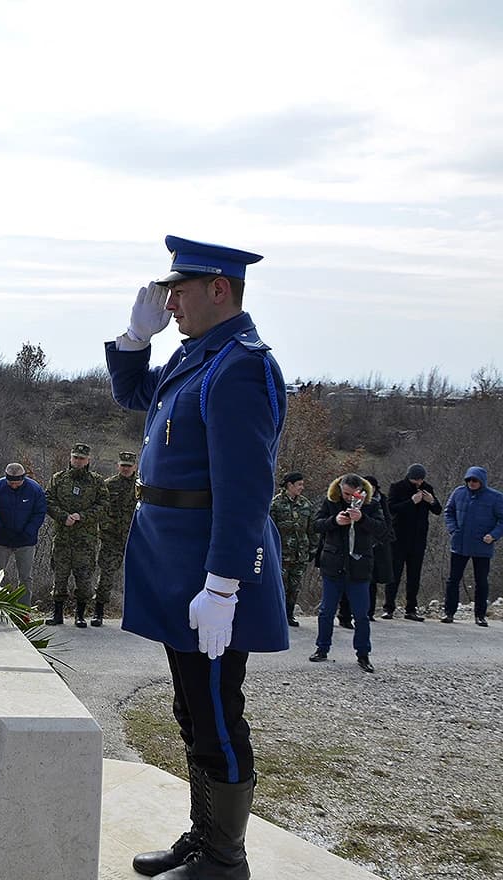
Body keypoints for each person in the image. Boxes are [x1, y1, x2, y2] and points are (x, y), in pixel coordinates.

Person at [106, 236, 288, 880]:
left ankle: (224, 858)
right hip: (175, 560)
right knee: (192, 706)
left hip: (207, 568)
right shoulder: (200, 358)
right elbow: (133, 395)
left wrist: (223, 584)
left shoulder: (241, 365)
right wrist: (134, 337)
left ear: (220, 289)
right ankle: (205, 836)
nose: (169, 300)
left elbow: (245, 487)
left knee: (214, 709)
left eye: (179, 289)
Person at [309, 474, 382, 673]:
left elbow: (382, 530)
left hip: (359, 567)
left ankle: (363, 654)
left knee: (361, 615)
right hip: (333, 565)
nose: (349, 497)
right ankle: (322, 648)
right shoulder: (331, 502)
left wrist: (363, 519)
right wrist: (334, 521)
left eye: (353, 494)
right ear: (340, 489)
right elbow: (316, 524)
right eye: (346, 493)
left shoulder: (372, 505)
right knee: (326, 611)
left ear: (361, 491)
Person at [44, 444, 108, 627]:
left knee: (84, 579)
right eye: (75, 457)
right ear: (70, 458)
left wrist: (83, 516)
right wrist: (63, 516)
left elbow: (104, 504)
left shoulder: (96, 481)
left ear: (88, 460)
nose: (78, 461)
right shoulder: (58, 479)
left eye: (81, 458)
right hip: (63, 538)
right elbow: (48, 500)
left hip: (85, 540)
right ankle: (57, 614)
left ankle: (80, 615)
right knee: (60, 577)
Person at [441, 467, 503, 626]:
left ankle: (480, 615)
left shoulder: (495, 498)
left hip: (482, 545)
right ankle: (449, 613)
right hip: (459, 543)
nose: (471, 483)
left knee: (481, 581)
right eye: (469, 480)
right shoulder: (459, 492)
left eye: (475, 480)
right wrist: (453, 529)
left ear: (482, 481)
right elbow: (449, 512)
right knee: (453, 580)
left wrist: (494, 535)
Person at [383, 464, 442, 620]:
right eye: (415, 480)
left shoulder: (427, 488)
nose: (418, 482)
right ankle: (388, 607)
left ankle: (411, 609)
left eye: (421, 479)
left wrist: (432, 501)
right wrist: (411, 502)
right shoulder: (397, 487)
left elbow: (438, 510)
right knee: (394, 573)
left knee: (414, 575)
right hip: (399, 538)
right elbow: (390, 508)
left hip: (418, 539)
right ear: (409, 477)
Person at [339, 474, 393, 628]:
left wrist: (363, 519)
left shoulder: (377, 502)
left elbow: (385, 525)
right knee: (346, 582)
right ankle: (344, 615)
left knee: (370, 582)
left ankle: (367, 613)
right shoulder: (342, 501)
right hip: (347, 549)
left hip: (372, 547)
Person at [0, 463, 47, 604]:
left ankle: (24, 609)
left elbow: (39, 513)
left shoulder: (34, 489)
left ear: (23, 478)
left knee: (25, 577)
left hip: (25, 541)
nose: (14, 485)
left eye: (17, 483)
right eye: (11, 483)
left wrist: (29, 531)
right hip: (3, 540)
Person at [95, 451, 139, 626]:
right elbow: (101, 509)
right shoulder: (108, 485)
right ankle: (98, 612)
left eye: (129, 466)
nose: (126, 469)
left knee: (136, 577)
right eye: (123, 465)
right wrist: (105, 529)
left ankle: (136, 614)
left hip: (134, 539)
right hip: (111, 539)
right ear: (118, 466)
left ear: (135, 466)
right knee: (106, 575)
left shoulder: (140, 486)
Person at [269, 472, 313, 627]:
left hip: (300, 554)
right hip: (282, 554)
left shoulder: (305, 504)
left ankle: (289, 615)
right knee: (280, 586)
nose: (302, 487)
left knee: (294, 587)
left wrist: (312, 550)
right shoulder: (276, 504)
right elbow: (270, 530)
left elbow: (311, 529)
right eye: (299, 484)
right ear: (289, 485)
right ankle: (277, 615)